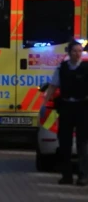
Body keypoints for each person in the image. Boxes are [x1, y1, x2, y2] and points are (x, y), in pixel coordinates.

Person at [43, 40, 88, 186]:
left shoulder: (86, 67)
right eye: (75, 51)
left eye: (80, 51)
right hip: (67, 107)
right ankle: (66, 176)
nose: (78, 54)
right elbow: (53, 86)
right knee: (64, 144)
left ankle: (83, 176)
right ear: (69, 53)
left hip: (82, 107)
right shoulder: (61, 68)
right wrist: (45, 103)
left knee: (83, 144)